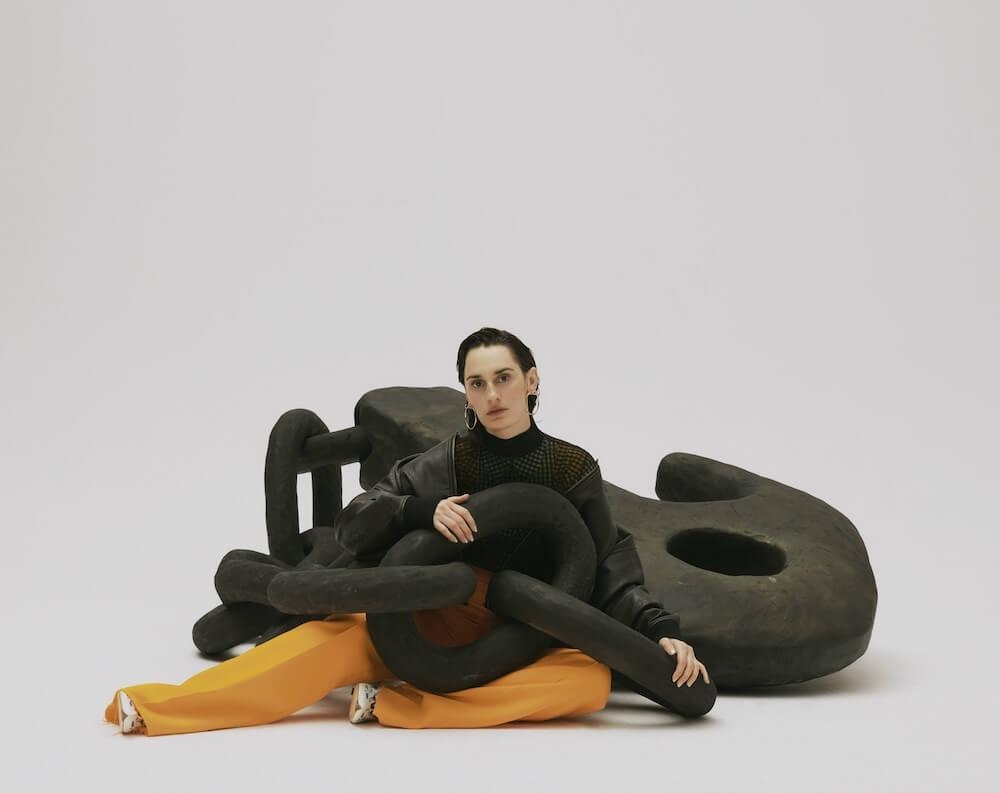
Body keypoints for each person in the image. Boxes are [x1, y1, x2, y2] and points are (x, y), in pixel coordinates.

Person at [104, 327, 709, 736]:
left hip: (522, 627)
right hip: (431, 606)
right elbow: (360, 514)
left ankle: (401, 705)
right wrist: (421, 512)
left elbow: (608, 560)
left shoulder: (572, 468)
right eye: (477, 383)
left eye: (503, 378)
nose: (492, 395)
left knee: (587, 682)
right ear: (466, 394)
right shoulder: (449, 460)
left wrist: (661, 633)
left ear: (532, 380)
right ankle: (159, 708)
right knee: (318, 652)